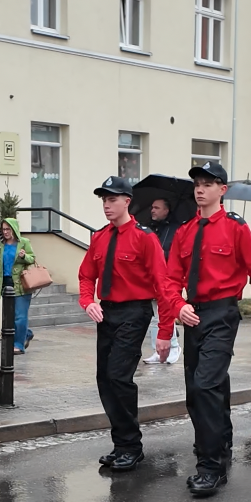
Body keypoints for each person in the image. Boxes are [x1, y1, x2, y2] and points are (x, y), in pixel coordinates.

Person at [160, 160, 251, 498]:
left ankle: (211, 466)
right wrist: (177, 306)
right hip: (193, 314)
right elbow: (170, 280)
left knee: (206, 385)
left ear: (222, 190)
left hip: (222, 313)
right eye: (197, 184)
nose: (200, 189)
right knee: (197, 391)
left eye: (208, 183)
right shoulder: (185, 231)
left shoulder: (235, 228)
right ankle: (220, 441)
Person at [78, 177, 173, 471]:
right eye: (104, 200)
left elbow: (163, 285)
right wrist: (88, 301)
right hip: (107, 312)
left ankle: (131, 446)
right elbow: (86, 275)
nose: (107, 206)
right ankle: (121, 444)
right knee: (104, 380)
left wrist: (165, 331)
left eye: (112, 200)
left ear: (127, 202)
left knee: (119, 377)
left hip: (135, 312)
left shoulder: (145, 238)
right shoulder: (100, 237)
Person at [142, 197, 184, 365]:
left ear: (166, 210)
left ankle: (173, 346)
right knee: (155, 316)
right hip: (151, 278)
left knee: (166, 313)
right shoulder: (150, 228)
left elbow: (175, 254)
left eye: (157, 208)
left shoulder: (176, 229)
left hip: (167, 278)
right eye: (152, 207)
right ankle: (158, 350)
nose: (153, 210)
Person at [0, 217, 37, 355]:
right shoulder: (1, 244)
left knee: (20, 316)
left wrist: (24, 257)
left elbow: (32, 259)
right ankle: (26, 333)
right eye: (3, 229)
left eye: (8, 229)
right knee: (10, 317)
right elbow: (1, 262)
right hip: (6, 283)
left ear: (14, 229)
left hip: (21, 284)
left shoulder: (24, 242)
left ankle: (18, 345)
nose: (5, 232)